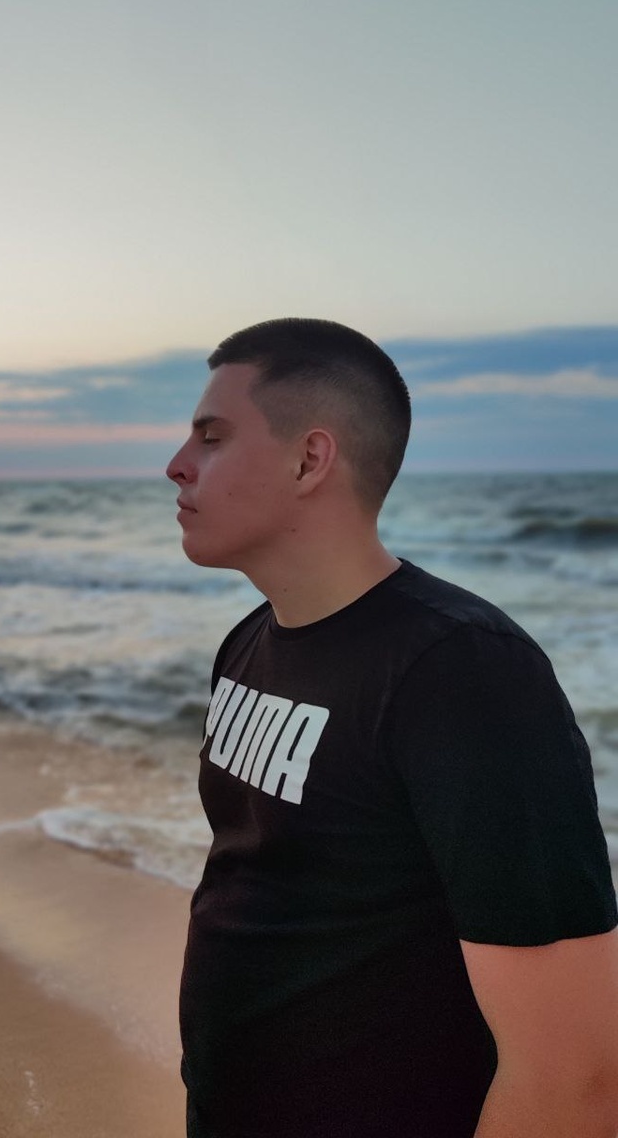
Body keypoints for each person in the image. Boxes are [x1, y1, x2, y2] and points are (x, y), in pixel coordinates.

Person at [165, 318, 618, 1138]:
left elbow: (575, 1071)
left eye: (212, 436)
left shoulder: (462, 671)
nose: (177, 464)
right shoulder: (252, 641)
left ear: (310, 459)